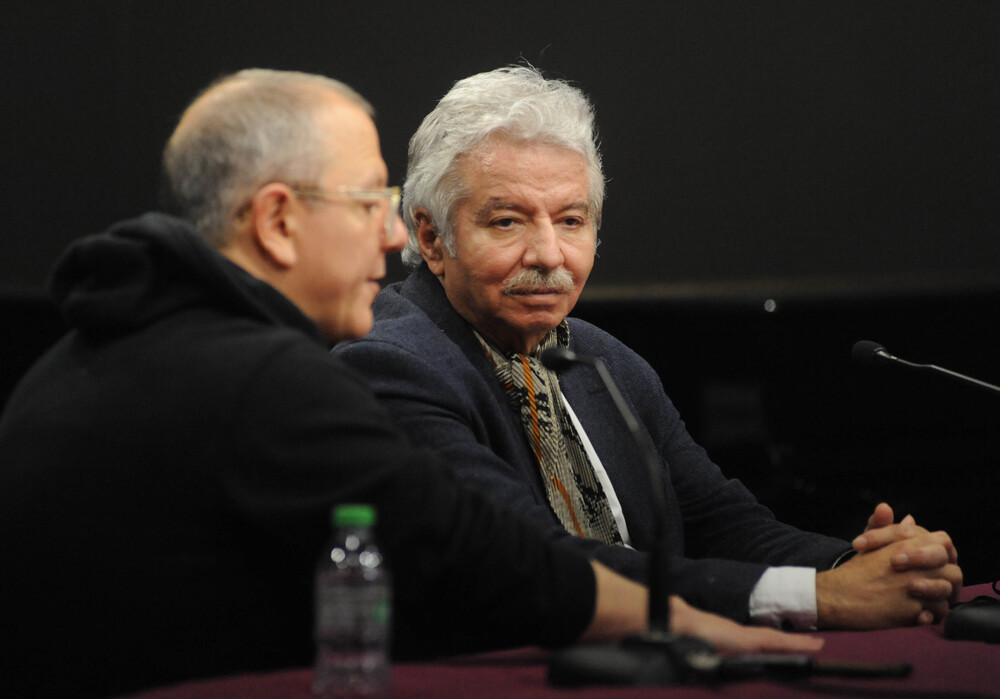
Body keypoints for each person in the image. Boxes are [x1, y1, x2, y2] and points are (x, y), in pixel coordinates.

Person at [0, 69, 819, 699]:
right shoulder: (258, 377)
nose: (393, 234)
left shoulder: (87, 356)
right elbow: (484, 556)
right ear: (279, 220)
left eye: (572, 220)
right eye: (369, 203)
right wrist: (711, 620)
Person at [333, 65, 962, 631]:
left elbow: (724, 524)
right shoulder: (392, 366)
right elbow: (534, 562)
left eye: (572, 221)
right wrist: (820, 596)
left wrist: (868, 563)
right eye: (507, 221)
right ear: (432, 237)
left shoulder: (604, 361)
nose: (550, 255)